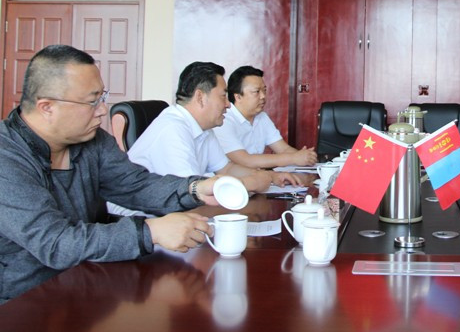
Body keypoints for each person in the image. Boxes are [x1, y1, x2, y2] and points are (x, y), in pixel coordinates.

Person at [0, 45, 222, 303]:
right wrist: (150, 232)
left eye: (102, 96)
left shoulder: (92, 141)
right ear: (47, 107)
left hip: (92, 280)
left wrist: (195, 189)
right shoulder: (7, 158)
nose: (103, 109)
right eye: (92, 101)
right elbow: (56, 243)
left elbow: (136, 185)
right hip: (26, 302)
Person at [123, 61, 300, 188]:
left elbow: (226, 169)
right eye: (223, 96)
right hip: (140, 219)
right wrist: (250, 183)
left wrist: (271, 176)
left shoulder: (204, 129)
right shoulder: (173, 129)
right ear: (200, 97)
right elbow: (190, 192)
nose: (228, 104)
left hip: (176, 211)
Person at [214, 65, 317, 168]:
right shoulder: (224, 120)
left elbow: (283, 149)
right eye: (257, 92)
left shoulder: (262, 117)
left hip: (256, 175)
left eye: (264, 90)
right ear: (238, 97)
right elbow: (246, 160)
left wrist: (306, 157)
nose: (263, 96)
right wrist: (294, 158)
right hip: (230, 177)